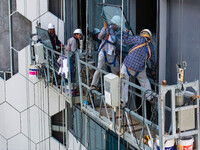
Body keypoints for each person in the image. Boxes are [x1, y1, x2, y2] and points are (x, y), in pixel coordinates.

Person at [120, 29, 156, 104]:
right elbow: (153, 61)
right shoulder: (151, 46)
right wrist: (153, 72)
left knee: (124, 82)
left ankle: (124, 100)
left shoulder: (139, 38)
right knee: (145, 82)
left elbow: (124, 41)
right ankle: (150, 97)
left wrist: (127, 31)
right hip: (139, 70)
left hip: (127, 66)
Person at [90, 15, 121, 90]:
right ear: (115, 24)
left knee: (116, 70)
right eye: (117, 25)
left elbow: (116, 43)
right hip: (104, 52)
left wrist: (118, 52)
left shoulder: (116, 33)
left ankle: (116, 87)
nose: (118, 27)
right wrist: (104, 28)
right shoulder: (106, 29)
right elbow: (100, 37)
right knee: (99, 68)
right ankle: (93, 84)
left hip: (111, 54)